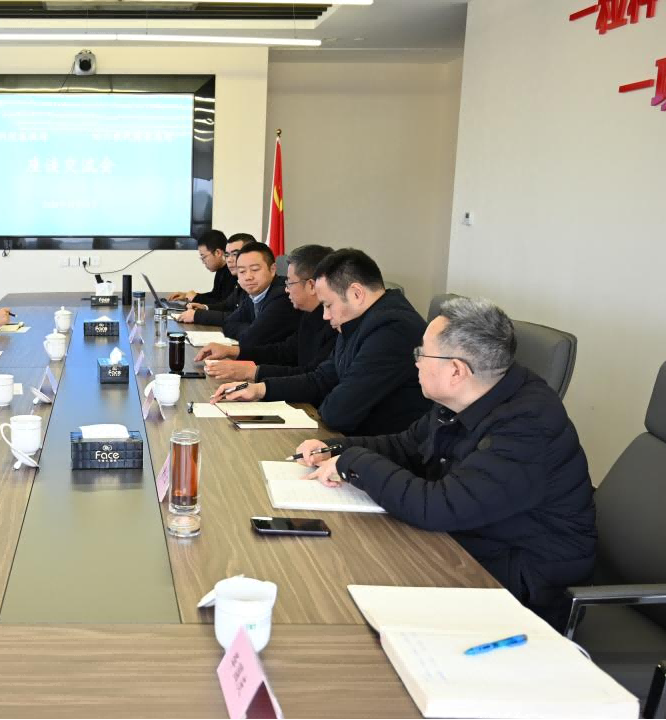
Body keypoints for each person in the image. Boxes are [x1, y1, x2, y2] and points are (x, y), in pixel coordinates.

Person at [295, 297, 596, 625]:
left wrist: (354, 462)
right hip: (469, 541)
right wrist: (336, 448)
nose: (415, 362)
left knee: (352, 587)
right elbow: (406, 445)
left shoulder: (526, 426)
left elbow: (438, 507)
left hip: (523, 582)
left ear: (456, 370)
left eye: (421, 353)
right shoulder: (469, 395)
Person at [213, 248, 430, 435]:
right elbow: (322, 379)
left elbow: (338, 412)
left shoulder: (393, 329)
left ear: (356, 294)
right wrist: (260, 389)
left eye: (328, 305)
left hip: (382, 449)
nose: (325, 315)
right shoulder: (358, 319)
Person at [197, 244, 337, 382]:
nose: (286, 289)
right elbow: (286, 351)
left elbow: (314, 377)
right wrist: (232, 351)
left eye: (290, 282)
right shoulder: (309, 313)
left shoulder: (332, 322)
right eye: (242, 271)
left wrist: (252, 372)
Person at [212, 241, 302, 346]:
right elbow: (228, 324)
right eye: (242, 271)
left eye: (255, 269)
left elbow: (250, 339)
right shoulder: (254, 293)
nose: (248, 277)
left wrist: (252, 329)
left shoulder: (283, 295)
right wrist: (252, 328)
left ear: (272, 269)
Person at [177, 233, 253, 325]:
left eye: (235, 254)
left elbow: (240, 317)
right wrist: (204, 307)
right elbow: (226, 305)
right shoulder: (239, 281)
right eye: (227, 255)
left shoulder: (245, 281)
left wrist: (197, 314)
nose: (229, 260)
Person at [166, 229, 238, 305]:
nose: (203, 262)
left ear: (218, 253)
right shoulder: (221, 270)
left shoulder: (232, 273)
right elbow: (215, 296)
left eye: (204, 257)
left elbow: (224, 305)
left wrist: (196, 297)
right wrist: (187, 296)